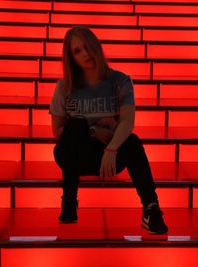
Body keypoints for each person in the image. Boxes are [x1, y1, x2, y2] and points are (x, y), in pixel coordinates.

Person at [49, 26, 168, 234]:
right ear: (71, 58)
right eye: (77, 51)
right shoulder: (64, 87)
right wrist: (93, 131)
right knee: (75, 125)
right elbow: (58, 130)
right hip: (75, 157)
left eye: (87, 46)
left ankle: (151, 208)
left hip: (109, 157)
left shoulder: (120, 81)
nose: (85, 53)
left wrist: (111, 149)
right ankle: (69, 200)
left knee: (133, 141)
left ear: (96, 45)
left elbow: (127, 122)